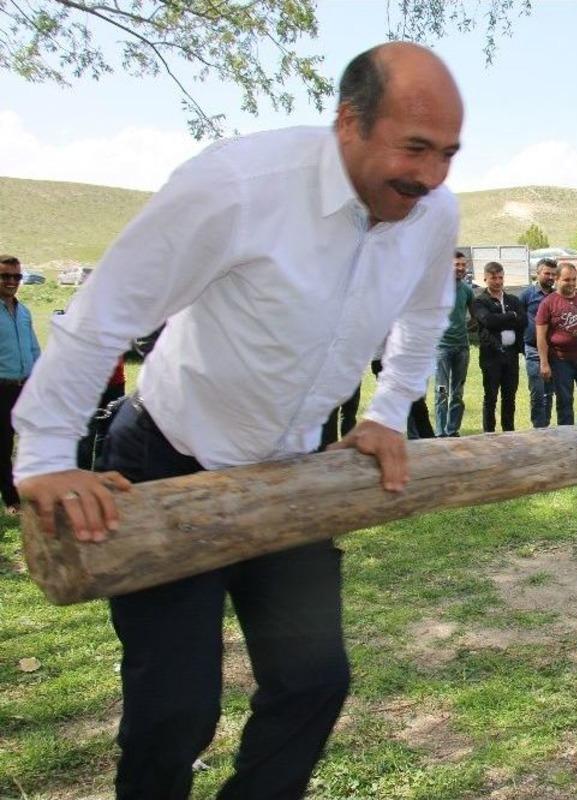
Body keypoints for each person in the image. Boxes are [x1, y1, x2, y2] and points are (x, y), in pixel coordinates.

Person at [13, 43, 464, 797]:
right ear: (348, 123)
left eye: (448, 153)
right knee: (174, 712)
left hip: (291, 473)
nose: (431, 177)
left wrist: (388, 412)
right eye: (414, 148)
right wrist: (47, 455)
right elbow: (105, 311)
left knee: (313, 683)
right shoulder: (237, 185)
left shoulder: (432, 212)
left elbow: (426, 315)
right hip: (166, 460)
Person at [537, 262, 577, 425]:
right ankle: (567, 438)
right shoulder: (548, 303)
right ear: (557, 279)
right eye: (567, 280)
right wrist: (544, 363)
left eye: (574, 279)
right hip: (560, 360)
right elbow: (541, 336)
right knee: (564, 401)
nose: (572, 283)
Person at [0, 254, 40, 514]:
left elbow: (34, 348)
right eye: (6, 276)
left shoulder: (23, 311)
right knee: (3, 444)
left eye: (17, 276)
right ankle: (12, 499)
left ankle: (33, 489)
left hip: (25, 386)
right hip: (1, 388)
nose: (12, 281)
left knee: (33, 439)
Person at [470, 261, 525, 432]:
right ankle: (489, 433)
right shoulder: (480, 301)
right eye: (493, 278)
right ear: (485, 278)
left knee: (509, 397)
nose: (498, 281)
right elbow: (487, 320)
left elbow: (523, 321)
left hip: (511, 354)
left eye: (500, 277)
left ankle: (509, 432)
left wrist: (504, 318)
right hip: (491, 355)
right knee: (491, 396)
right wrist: (511, 316)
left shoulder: (513, 300)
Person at [434, 250, 474, 437]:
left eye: (462, 265)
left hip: (462, 348)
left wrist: (465, 328)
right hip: (441, 348)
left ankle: (452, 431)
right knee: (442, 392)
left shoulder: (466, 290)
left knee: (457, 393)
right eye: (456, 265)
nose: (460, 268)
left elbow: (475, 316)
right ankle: (441, 433)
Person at [521, 258, 558, 428]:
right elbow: (519, 320)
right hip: (533, 350)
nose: (551, 277)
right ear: (538, 273)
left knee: (549, 393)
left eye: (553, 274)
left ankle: (547, 428)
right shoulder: (527, 295)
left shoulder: (557, 296)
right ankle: (538, 428)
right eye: (547, 273)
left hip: (554, 351)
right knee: (537, 391)